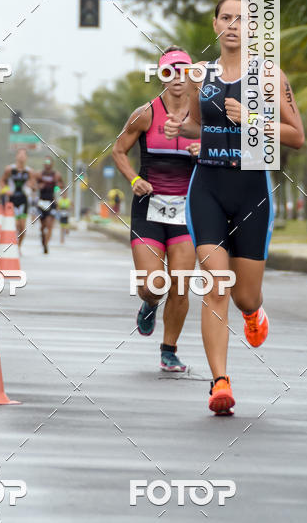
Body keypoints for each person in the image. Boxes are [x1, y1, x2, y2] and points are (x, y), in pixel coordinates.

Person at [164, 0, 305, 414]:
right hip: (206, 186)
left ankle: (254, 314)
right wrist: (179, 127)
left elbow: (296, 136)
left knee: (245, 296)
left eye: (242, 19)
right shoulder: (198, 75)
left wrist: (253, 119)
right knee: (216, 285)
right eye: (225, 17)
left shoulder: (269, 76)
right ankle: (219, 382)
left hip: (251, 192)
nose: (232, 25)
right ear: (214, 24)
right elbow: (194, 126)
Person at [112, 48, 201, 373]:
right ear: (162, 75)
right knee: (153, 285)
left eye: (183, 71)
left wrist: (203, 149)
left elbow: (225, 148)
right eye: (170, 72)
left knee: (180, 285)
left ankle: (169, 350)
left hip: (187, 214)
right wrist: (134, 178)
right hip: (148, 209)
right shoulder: (146, 113)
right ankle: (149, 304)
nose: (177, 78)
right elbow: (119, 150)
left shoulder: (204, 114)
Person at [0, 149, 33, 248]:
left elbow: (33, 183)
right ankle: (12, 245)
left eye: (24, 155)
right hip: (12, 200)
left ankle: (18, 248)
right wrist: (6, 190)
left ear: (26, 158)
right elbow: (2, 181)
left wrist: (30, 186)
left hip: (23, 200)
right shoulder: (9, 169)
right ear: (16, 157)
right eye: (20, 155)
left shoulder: (29, 171)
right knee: (15, 224)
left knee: (22, 227)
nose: (22, 157)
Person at [35, 158, 64, 254]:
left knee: (50, 225)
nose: (47, 165)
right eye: (46, 163)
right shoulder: (39, 174)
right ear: (44, 164)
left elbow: (62, 185)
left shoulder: (56, 175)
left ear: (52, 164)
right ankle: (43, 240)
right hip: (42, 202)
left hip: (52, 201)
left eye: (49, 163)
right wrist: (38, 186)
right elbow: (33, 185)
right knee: (43, 226)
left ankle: (46, 244)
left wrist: (59, 186)